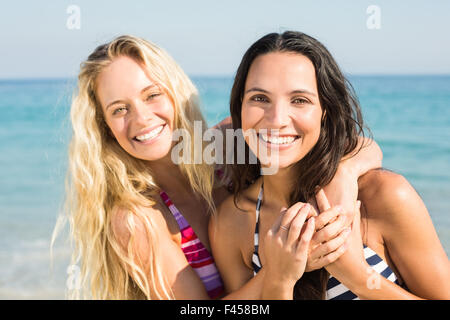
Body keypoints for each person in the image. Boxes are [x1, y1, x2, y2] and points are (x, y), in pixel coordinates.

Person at [53, 35, 383, 299]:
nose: (141, 118)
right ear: (104, 126)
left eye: (152, 95)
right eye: (119, 109)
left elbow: (355, 144)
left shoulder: (224, 146)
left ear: (175, 92)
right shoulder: (137, 219)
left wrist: (345, 174)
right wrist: (279, 272)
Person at [210, 31, 450, 299]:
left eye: (299, 100)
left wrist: (359, 277)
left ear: (325, 110)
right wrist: (278, 279)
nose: (276, 119)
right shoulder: (232, 221)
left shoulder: (383, 195)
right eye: (260, 98)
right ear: (240, 105)